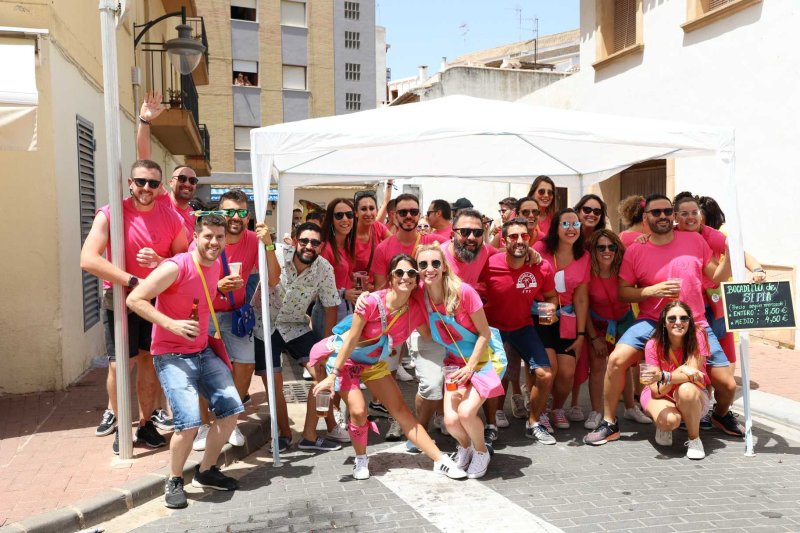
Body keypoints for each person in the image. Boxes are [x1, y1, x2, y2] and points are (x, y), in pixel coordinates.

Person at [584, 194, 735, 446]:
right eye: (656, 212)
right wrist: (650, 291)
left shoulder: (694, 240)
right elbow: (623, 291)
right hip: (651, 321)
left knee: (727, 385)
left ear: (673, 215)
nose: (662, 216)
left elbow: (717, 276)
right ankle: (609, 422)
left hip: (694, 322)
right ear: (646, 218)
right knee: (616, 360)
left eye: (667, 211)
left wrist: (730, 255)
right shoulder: (636, 250)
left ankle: (719, 415)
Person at [310, 254, 468, 481]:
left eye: (411, 273)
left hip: (373, 362)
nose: (406, 277)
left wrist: (464, 341)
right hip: (347, 361)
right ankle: (361, 458)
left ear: (416, 280)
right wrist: (332, 374)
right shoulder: (372, 302)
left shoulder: (414, 307)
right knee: (358, 410)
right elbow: (351, 340)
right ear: (391, 278)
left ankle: (440, 461)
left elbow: (429, 334)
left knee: (401, 411)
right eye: (399, 273)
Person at [126, 214, 244, 508]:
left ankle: (206, 471)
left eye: (219, 237)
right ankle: (175, 479)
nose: (214, 242)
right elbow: (135, 300)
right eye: (208, 236)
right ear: (195, 236)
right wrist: (172, 325)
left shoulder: (216, 264)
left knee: (230, 411)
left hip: (203, 351)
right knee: (188, 423)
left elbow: (198, 295)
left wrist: (219, 289)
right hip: (172, 356)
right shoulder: (175, 266)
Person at [80, 159, 188, 454]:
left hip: (155, 300)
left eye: (153, 183)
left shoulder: (171, 218)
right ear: (130, 183)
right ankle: (119, 422)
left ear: (160, 187)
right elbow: (88, 258)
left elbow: (183, 261)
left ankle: (146, 422)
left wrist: (159, 264)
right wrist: (132, 279)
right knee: (119, 364)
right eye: (140, 182)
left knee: (148, 360)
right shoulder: (111, 213)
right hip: (118, 298)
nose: (146, 188)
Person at [254, 222, 350, 452]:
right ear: (295, 240)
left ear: (322, 246)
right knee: (274, 385)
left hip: (295, 324)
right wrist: (267, 244)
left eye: (315, 243)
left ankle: (309, 435)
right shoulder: (274, 252)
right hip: (264, 324)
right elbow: (272, 280)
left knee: (321, 374)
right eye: (304, 241)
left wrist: (327, 344)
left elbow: (331, 306)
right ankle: (284, 435)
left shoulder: (324, 268)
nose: (309, 246)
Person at [417, 244, 504, 478]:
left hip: (484, 360)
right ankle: (465, 447)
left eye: (435, 263)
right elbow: (390, 295)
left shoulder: (464, 292)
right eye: (422, 264)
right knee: (451, 421)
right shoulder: (421, 296)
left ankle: (481, 451)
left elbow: (485, 334)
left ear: (444, 266)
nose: (429, 269)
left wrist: (470, 367)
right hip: (454, 364)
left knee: (466, 413)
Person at [479, 218, 558, 445]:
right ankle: (491, 425)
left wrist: (550, 308)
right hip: (493, 329)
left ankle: (533, 422)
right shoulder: (490, 263)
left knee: (545, 375)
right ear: (504, 240)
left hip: (524, 326)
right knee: (493, 377)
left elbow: (552, 296)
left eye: (524, 235)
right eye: (513, 236)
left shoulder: (541, 266)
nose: (520, 240)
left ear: (530, 238)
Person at [192, 190, 258, 451]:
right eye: (229, 211)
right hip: (205, 312)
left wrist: (269, 244)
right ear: (220, 213)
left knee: (245, 364)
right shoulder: (206, 239)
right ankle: (203, 425)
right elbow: (190, 282)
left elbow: (273, 278)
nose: (235, 217)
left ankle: (229, 421)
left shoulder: (253, 240)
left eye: (241, 212)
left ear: (247, 216)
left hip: (235, 314)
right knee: (200, 370)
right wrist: (218, 287)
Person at [370, 193, 438, 439]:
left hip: (426, 318)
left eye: (413, 211)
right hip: (396, 319)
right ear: (393, 215)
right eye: (403, 212)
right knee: (388, 372)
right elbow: (379, 287)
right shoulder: (384, 248)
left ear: (419, 214)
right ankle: (397, 418)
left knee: (433, 372)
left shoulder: (433, 242)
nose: (408, 216)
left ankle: (434, 415)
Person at [578, 230, 650, 430]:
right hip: (597, 323)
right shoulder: (587, 271)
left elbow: (646, 252)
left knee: (624, 365)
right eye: (601, 247)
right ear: (593, 250)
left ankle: (630, 407)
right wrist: (593, 338)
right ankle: (596, 411)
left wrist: (645, 238)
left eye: (612, 246)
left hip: (624, 321)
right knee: (598, 366)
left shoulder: (624, 267)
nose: (607, 251)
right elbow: (583, 306)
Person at [533, 209, 590, 432]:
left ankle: (557, 408)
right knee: (551, 367)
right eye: (565, 224)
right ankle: (541, 412)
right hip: (541, 314)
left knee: (567, 371)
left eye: (575, 224)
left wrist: (582, 334)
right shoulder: (540, 250)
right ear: (556, 227)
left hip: (567, 317)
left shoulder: (583, 256)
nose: (571, 228)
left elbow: (582, 298)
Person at [640, 301, 711, 460]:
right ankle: (663, 424)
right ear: (664, 323)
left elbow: (692, 375)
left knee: (686, 389)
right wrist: (680, 370)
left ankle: (694, 440)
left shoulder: (698, 335)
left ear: (690, 321)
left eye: (684, 318)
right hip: (660, 395)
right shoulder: (653, 345)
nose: (678, 322)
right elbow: (656, 391)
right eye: (672, 319)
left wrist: (666, 376)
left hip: (691, 394)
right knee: (670, 421)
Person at [135, 91, 199, 240]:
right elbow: (144, 163)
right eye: (182, 178)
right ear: (171, 183)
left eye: (192, 180)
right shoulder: (163, 200)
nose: (187, 184)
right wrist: (144, 121)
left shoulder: (194, 215)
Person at [353, 189, 392, 287]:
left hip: (378, 286)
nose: (368, 213)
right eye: (363, 209)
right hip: (357, 290)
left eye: (371, 208)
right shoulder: (349, 235)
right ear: (356, 213)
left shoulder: (377, 226)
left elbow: (394, 243)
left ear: (376, 211)